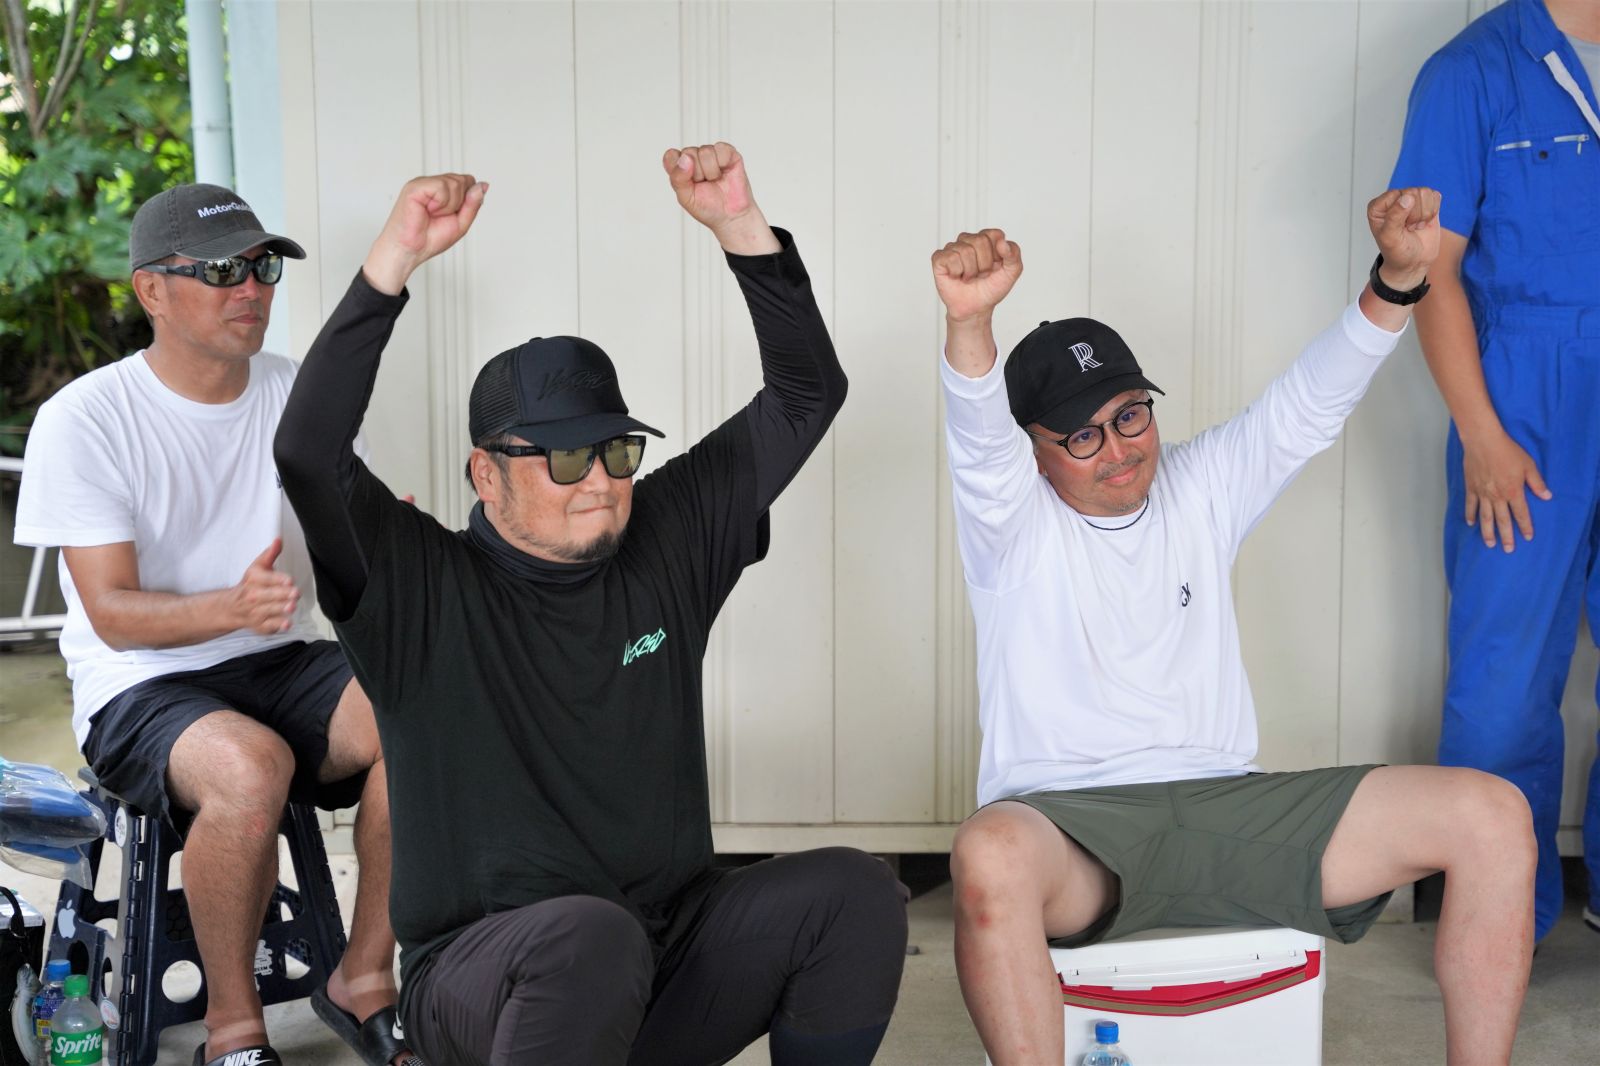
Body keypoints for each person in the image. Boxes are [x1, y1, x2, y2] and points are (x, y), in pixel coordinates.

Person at [273, 146, 908, 1066]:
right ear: (485, 473)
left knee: (853, 894)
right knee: (586, 938)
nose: (601, 482)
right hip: (490, 980)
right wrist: (392, 262)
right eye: (567, 458)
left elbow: (808, 394)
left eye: (616, 452)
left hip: (663, 950)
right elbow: (308, 451)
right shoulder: (415, 586)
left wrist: (740, 227)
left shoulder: (665, 537)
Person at [930, 188, 1537, 1065]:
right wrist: (969, 325)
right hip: (1074, 833)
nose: (1120, 449)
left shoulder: (1199, 485)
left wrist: (1397, 281)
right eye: (1083, 437)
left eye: (1130, 415)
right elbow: (977, 442)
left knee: (1493, 814)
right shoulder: (1010, 528)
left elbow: (1308, 405)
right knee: (988, 853)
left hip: (1230, 807)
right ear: (1035, 450)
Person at [13, 184, 416, 1066]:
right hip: (139, 683)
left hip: (277, 656)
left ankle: (363, 975)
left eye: (263, 267)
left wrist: (386, 538)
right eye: (223, 271)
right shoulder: (86, 418)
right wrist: (228, 608)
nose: (252, 289)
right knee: (249, 766)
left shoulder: (295, 392)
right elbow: (112, 615)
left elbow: (347, 545)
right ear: (152, 290)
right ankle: (234, 1031)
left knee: (422, 714)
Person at [1389, 0, 1600, 940]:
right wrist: (1480, 431)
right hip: (1526, 401)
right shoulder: (1469, 73)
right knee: (1505, 674)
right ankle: (1499, 913)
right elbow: (1429, 269)